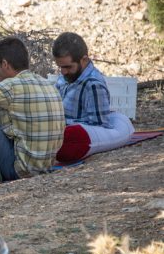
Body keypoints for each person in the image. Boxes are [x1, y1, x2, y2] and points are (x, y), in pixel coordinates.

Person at [0, 37, 65, 180]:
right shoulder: (48, 84)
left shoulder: (11, 86)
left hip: (18, 171)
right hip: (46, 166)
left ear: (5, 64)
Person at [52, 32, 134, 162]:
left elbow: (99, 127)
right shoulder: (67, 76)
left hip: (71, 135)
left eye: (67, 67)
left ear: (83, 60)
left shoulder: (93, 85)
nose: (63, 72)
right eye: (60, 67)